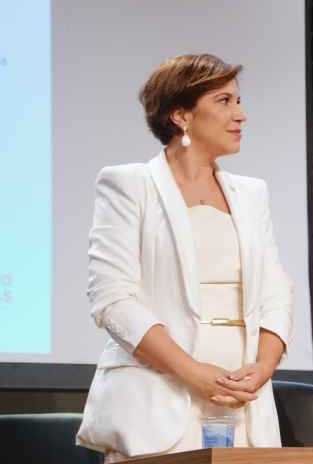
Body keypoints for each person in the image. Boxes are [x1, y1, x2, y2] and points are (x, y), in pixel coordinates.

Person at [76, 54, 294, 461]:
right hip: (158, 401)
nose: (241, 114)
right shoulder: (128, 185)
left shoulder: (252, 194)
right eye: (224, 101)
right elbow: (112, 299)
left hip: (242, 404)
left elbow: (276, 291)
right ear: (181, 116)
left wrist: (264, 367)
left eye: (239, 101)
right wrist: (193, 373)